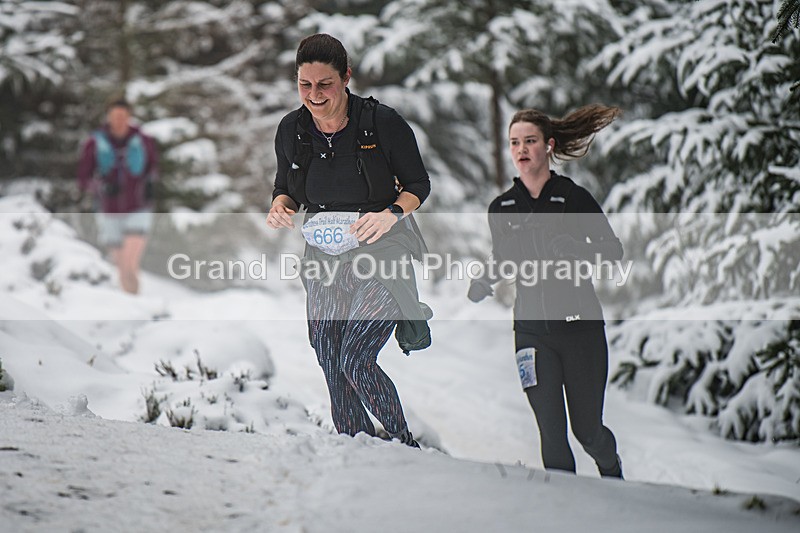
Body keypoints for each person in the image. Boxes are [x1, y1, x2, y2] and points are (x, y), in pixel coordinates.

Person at [266, 34, 431, 447]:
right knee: (329, 356)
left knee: (355, 359)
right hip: (324, 258)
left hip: (382, 253)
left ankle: (403, 445)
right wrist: (280, 206)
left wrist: (391, 214)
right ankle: (355, 449)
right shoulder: (292, 130)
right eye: (305, 84)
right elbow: (286, 187)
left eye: (325, 84)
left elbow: (417, 185)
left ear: (346, 78)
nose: (314, 95)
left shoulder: (382, 123)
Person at [468, 105, 624, 478]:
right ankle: (565, 507)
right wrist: (485, 278)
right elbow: (504, 257)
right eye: (514, 142)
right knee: (552, 436)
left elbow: (612, 251)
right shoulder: (501, 208)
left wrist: (577, 247)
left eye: (530, 141)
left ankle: (612, 473)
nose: (521, 149)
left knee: (588, 432)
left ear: (549, 146)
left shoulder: (572, 197)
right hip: (531, 333)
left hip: (580, 330)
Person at [78, 98, 158, 295]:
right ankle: (132, 303)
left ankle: (135, 300)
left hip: (138, 208)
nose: (119, 120)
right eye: (115, 116)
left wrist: (149, 185)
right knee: (121, 265)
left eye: (123, 116)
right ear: (109, 117)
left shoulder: (143, 140)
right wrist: (102, 187)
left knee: (130, 262)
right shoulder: (95, 142)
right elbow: (83, 178)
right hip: (109, 211)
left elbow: (153, 167)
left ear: (129, 117)